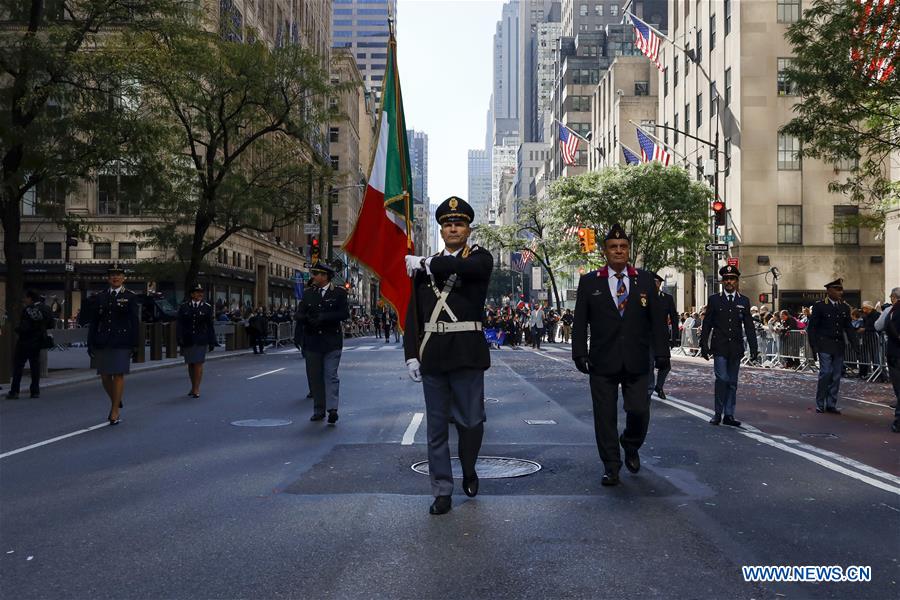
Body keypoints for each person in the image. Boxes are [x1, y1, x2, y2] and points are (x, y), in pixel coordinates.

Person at [404, 196, 493, 514]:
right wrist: (411, 354)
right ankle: (442, 489)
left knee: (471, 422)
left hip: (467, 353)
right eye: (447, 224)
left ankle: (468, 466)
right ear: (441, 230)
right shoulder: (421, 267)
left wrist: (426, 263)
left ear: (468, 229)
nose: (453, 228)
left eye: (459, 223)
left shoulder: (480, 258)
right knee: (437, 427)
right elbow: (413, 313)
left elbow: (462, 268)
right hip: (434, 355)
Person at [571, 223, 670, 487]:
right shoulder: (590, 281)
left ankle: (631, 443)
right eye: (613, 247)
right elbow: (580, 321)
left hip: (638, 360)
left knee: (639, 410)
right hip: (602, 361)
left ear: (628, 250)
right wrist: (579, 353)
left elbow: (657, 321)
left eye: (623, 247)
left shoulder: (646, 280)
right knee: (604, 417)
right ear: (605, 251)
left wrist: (663, 354)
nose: (619, 251)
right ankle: (611, 466)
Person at [699, 265, 759, 427]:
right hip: (719, 346)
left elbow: (749, 326)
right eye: (726, 279)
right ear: (722, 281)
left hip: (736, 347)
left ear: (737, 281)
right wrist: (703, 344)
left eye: (732, 279)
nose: (729, 282)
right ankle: (718, 413)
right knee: (722, 379)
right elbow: (707, 324)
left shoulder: (743, 301)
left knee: (732, 382)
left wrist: (754, 348)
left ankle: (729, 415)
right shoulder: (714, 299)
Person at [83, 265, 140, 425]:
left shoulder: (130, 296)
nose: (115, 277)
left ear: (124, 278)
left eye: (118, 275)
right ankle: (116, 398)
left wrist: (135, 345)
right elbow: (94, 322)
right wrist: (90, 342)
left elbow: (134, 322)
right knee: (105, 375)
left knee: (118, 374)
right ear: (108, 279)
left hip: (122, 341)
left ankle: (115, 410)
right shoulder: (100, 296)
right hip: (103, 340)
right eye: (112, 275)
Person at [297, 261, 349, 424]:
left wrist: (324, 318)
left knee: (330, 375)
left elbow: (344, 314)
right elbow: (298, 314)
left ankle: (332, 409)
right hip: (313, 341)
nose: (313, 276)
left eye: (316, 274)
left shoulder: (339, 293)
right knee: (315, 377)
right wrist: (308, 319)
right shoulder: (308, 294)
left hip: (331, 341)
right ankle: (319, 410)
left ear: (325, 276)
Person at [807, 279, 858, 414]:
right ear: (829, 291)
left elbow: (848, 327)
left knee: (836, 375)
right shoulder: (820, 306)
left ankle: (831, 403)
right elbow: (812, 328)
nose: (840, 292)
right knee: (826, 373)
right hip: (824, 344)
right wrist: (813, 346)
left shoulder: (844, 307)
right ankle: (820, 402)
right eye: (837, 289)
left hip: (838, 345)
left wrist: (855, 344)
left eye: (841, 289)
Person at [6, 290, 54, 399]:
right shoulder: (46, 309)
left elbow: (25, 327)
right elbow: (51, 323)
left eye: (26, 298)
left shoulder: (28, 310)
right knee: (35, 366)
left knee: (18, 366)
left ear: (30, 298)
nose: (24, 300)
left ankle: (14, 391)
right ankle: (35, 391)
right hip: (38, 341)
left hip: (25, 341)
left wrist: (17, 329)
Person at [176, 284, 217, 398]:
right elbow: (180, 324)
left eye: (201, 292)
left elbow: (209, 325)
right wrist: (179, 338)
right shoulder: (184, 307)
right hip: (188, 339)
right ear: (192, 294)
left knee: (198, 363)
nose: (200, 294)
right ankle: (193, 385)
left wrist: (212, 341)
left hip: (201, 339)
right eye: (197, 292)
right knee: (190, 363)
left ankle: (196, 388)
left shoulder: (207, 307)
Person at [649, 274, 679, 400]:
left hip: (662, 337)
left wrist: (675, 337)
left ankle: (659, 386)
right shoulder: (644, 297)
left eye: (657, 282)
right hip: (647, 337)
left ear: (660, 284)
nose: (655, 284)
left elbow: (674, 318)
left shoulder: (667, 298)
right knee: (649, 365)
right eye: (653, 282)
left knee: (665, 365)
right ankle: (649, 390)